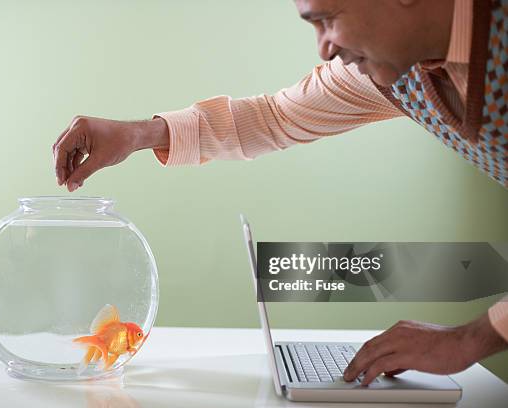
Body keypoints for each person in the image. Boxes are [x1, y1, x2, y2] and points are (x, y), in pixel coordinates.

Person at [52, 0, 508, 385]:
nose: (326, 48)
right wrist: (135, 135)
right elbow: (274, 118)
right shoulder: (389, 68)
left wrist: (468, 340)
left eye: (328, 19)